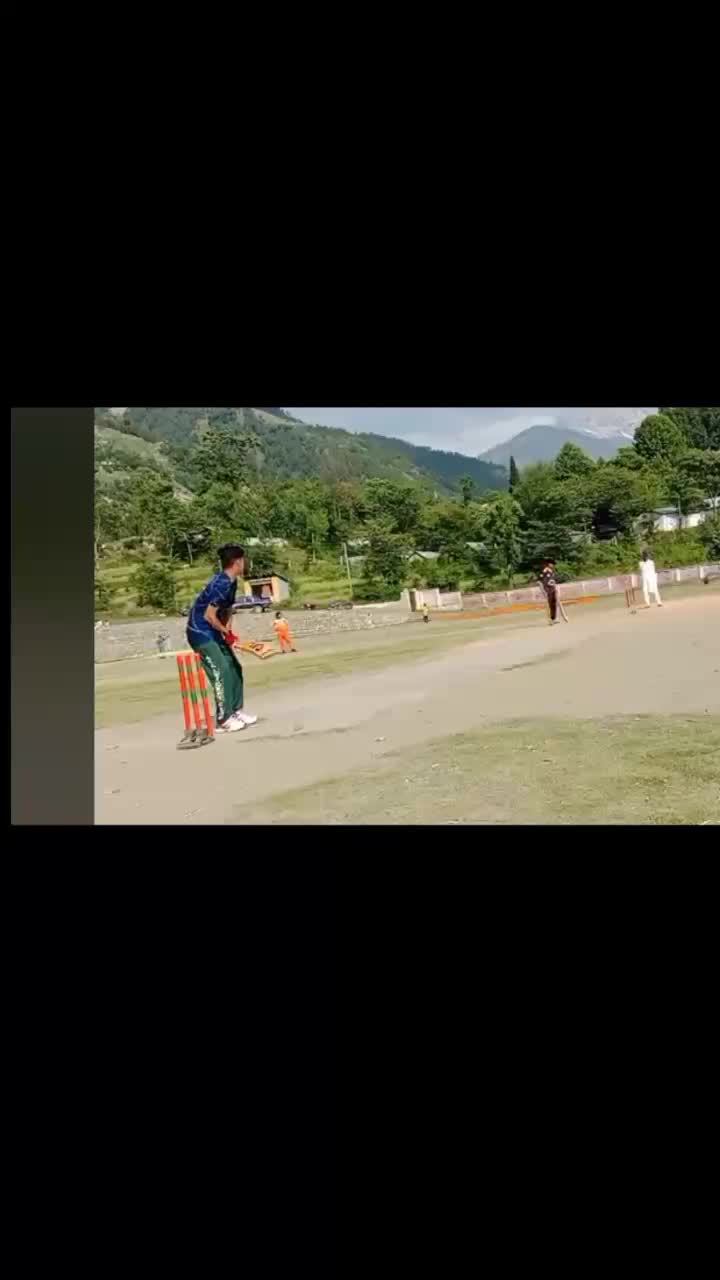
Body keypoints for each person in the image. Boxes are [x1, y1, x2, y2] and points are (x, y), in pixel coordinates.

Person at [186, 543, 258, 733]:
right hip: (200, 632)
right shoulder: (221, 583)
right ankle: (223, 719)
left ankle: (235, 711)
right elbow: (209, 615)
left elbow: (227, 609)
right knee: (222, 671)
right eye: (244, 560)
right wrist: (226, 632)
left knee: (234, 667)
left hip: (214, 631)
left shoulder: (232, 582)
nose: (246, 563)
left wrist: (228, 631)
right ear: (237, 561)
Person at [538, 558, 560, 624]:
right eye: (551, 564)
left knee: (554, 604)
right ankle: (549, 620)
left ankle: (554, 618)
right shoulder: (544, 571)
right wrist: (543, 590)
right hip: (547, 590)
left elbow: (554, 581)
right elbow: (539, 581)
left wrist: (556, 588)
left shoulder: (552, 571)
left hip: (553, 589)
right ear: (548, 564)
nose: (553, 565)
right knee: (549, 604)